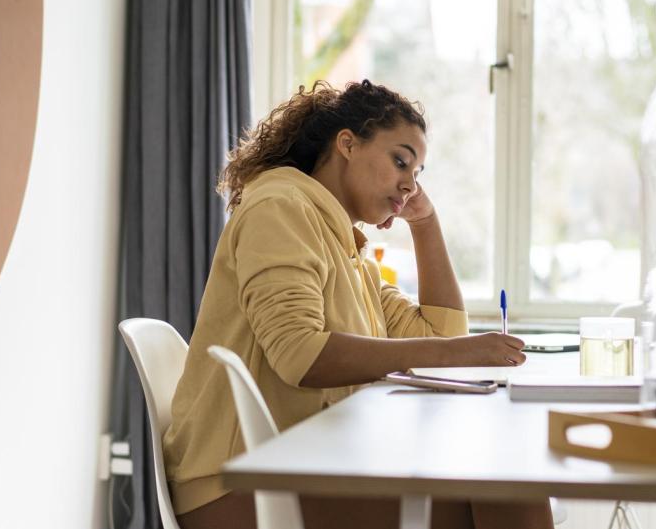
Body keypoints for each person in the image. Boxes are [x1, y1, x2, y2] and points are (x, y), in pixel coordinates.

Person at [165, 80, 554, 529]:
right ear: (347, 143)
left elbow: (441, 340)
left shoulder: (347, 248)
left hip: (301, 467)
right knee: (506, 494)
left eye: (417, 173)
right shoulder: (279, 205)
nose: (410, 184)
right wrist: (457, 352)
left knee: (506, 487)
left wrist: (425, 223)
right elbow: (300, 354)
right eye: (400, 161)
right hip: (234, 484)